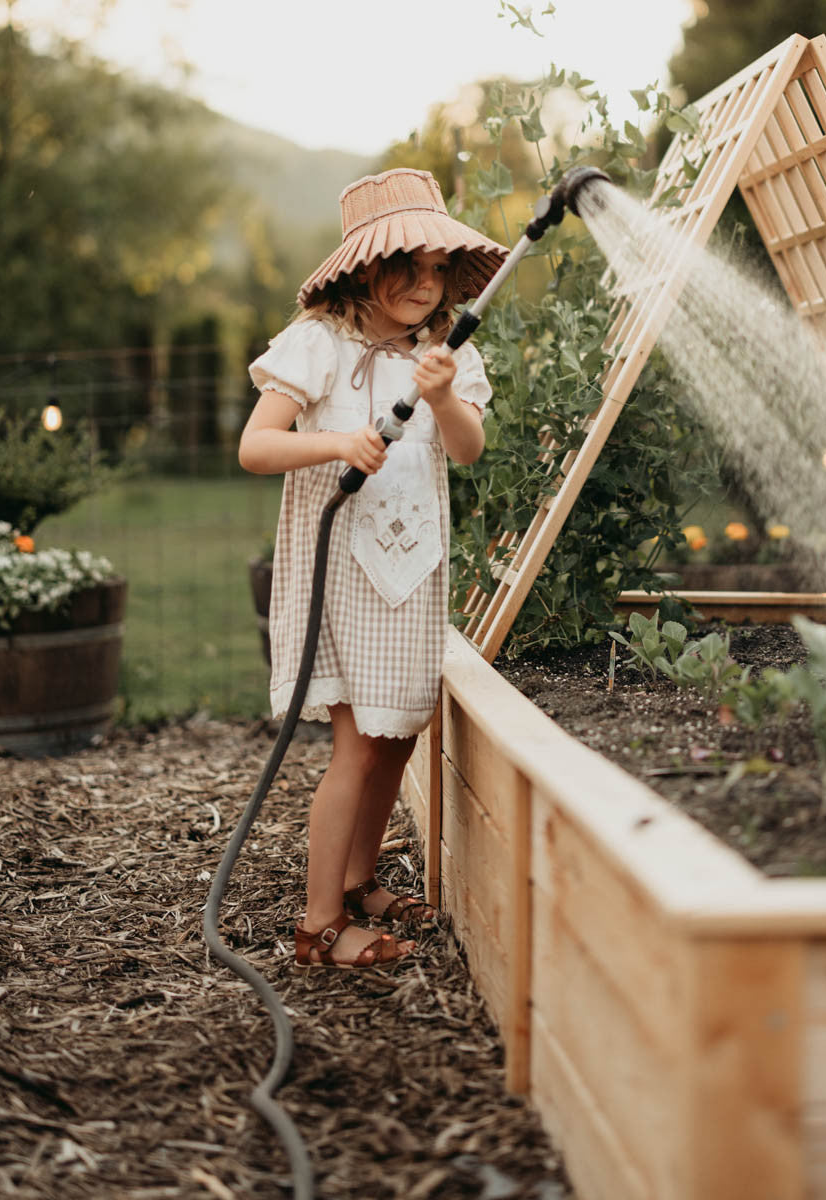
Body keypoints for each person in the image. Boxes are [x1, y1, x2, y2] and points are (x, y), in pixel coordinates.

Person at [239, 169, 508, 969]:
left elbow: (467, 450)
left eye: (437, 270)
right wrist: (335, 442)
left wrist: (447, 397)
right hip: (343, 575)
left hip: (411, 573)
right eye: (407, 267)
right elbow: (257, 447)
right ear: (364, 266)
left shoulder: (446, 355)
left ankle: (357, 883)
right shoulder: (320, 344)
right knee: (356, 746)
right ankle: (319, 926)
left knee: (396, 735)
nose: (425, 286)